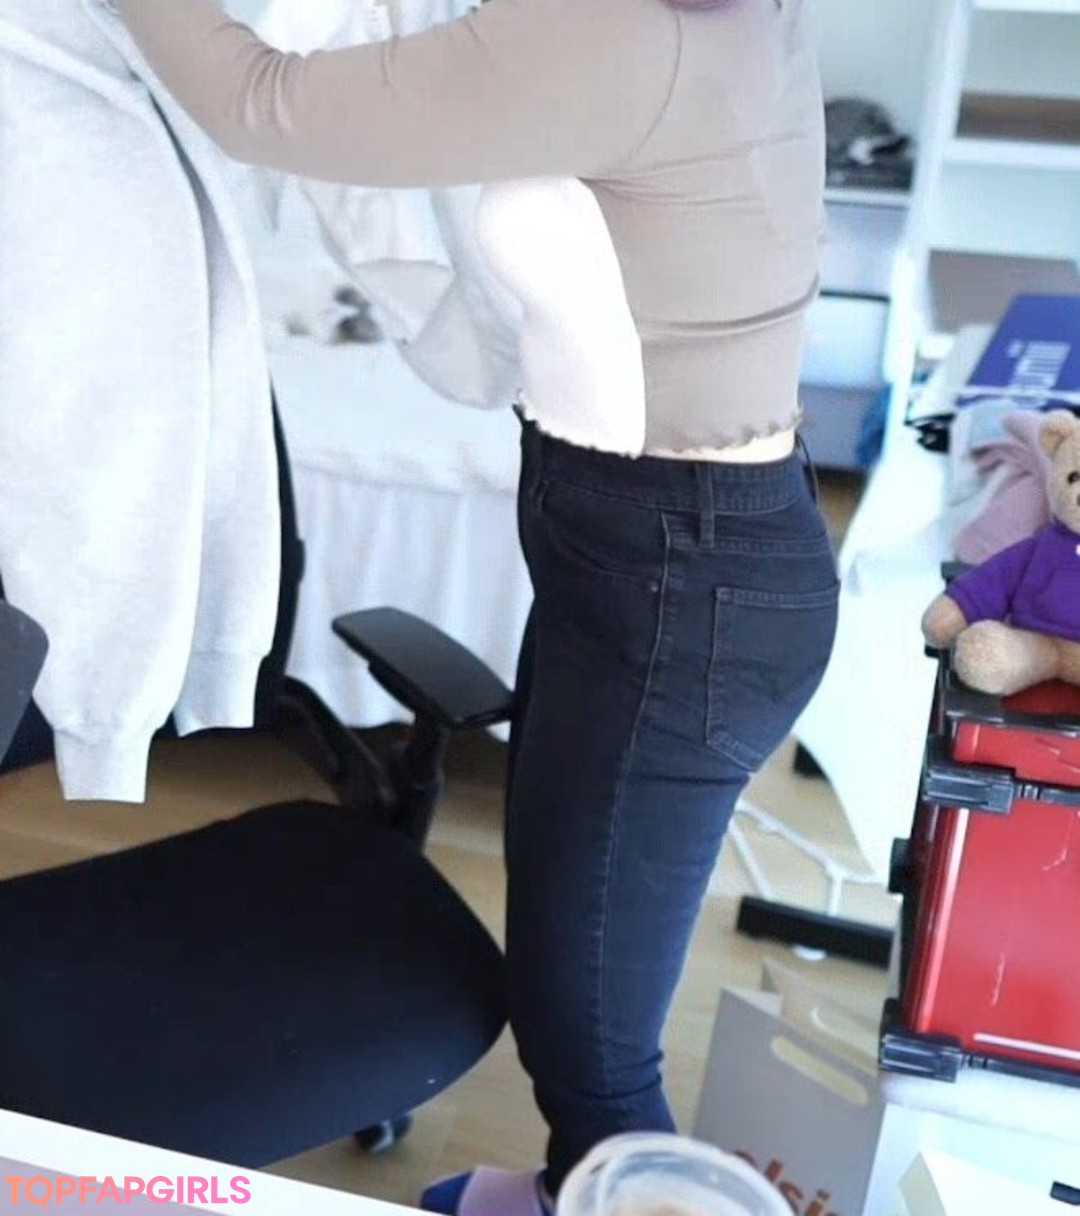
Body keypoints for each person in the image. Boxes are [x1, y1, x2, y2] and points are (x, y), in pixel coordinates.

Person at [97, 0, 840, 1212]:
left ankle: (606, 1189)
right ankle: (559, 1189)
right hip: (649, 562)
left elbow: (261, 104)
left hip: (679, 591)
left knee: (591, 1049)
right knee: (571, 997)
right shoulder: (738, 17)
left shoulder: (627, 33)